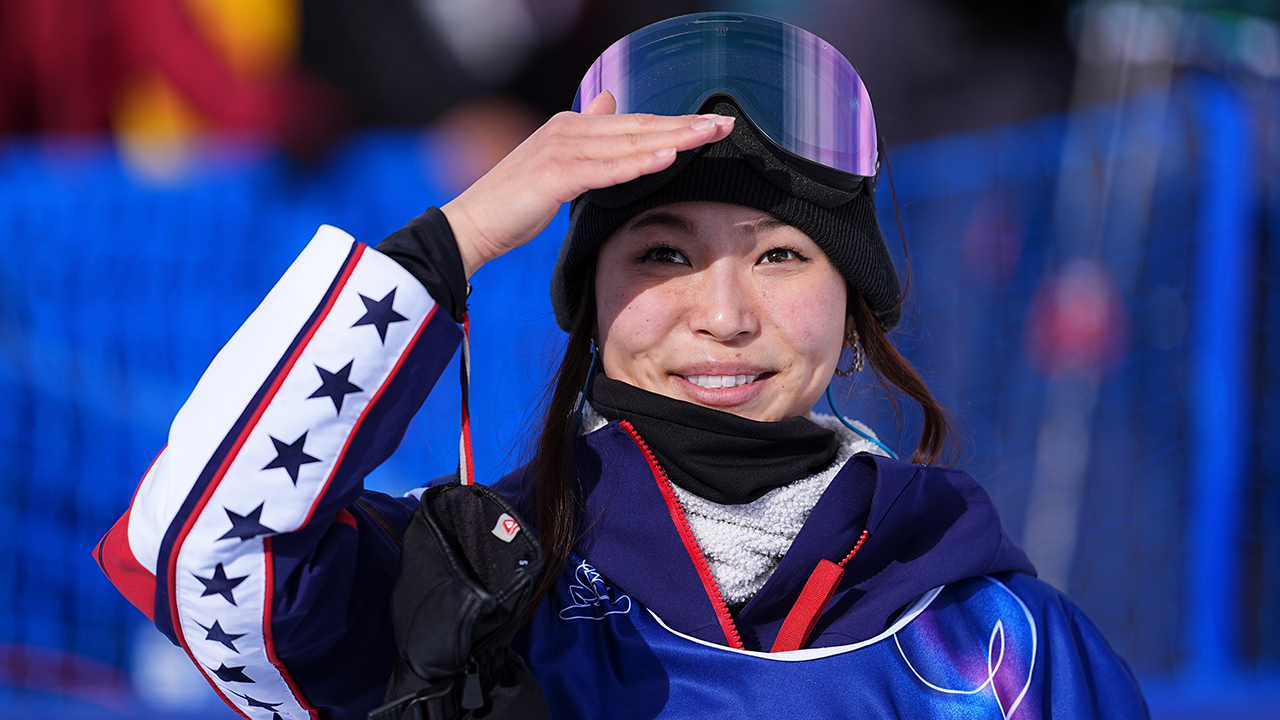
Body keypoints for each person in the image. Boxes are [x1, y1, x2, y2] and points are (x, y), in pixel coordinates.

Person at [94, 13, 1149, 720]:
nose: (723, 314)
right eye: (663, 255)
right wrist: (449, 244)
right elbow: (189, 549)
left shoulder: (1003, 647)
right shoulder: (468, 600)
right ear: (590, 303)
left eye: (780, 256)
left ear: (855, 306)